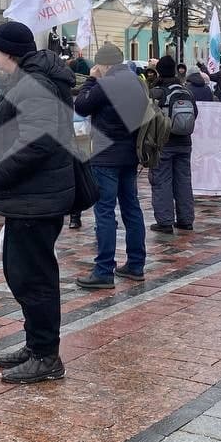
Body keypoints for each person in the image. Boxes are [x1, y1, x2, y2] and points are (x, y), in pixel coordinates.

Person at [0, 21, 76, 384]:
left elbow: (39, 143)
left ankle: (46, 356)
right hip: (32, 197)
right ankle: (36, 344)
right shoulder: (32, 80)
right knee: (23, 274)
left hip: (35, 198)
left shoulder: (35, 85)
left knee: (33, 278)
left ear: (9, 53)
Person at [74, 43, 148, 288]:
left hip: (106, 156)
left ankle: (104, 270)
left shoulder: (106, 83)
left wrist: (91, 80)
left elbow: (81, 106)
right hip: (129, 154)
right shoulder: (137, 81)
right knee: (131, 209)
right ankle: (136, 264)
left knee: (104, 212)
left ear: (104, 64)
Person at [147, 55, 198, 233]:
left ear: (159, 71)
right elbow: (195, 113)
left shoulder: (157, 92)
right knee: (184, 181)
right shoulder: (186, 91)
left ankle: (165, 221)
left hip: (163, 144)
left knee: (162, 181)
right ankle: (186, 220)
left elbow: (147, 118)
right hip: (185, 143)